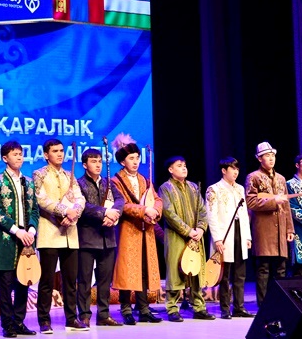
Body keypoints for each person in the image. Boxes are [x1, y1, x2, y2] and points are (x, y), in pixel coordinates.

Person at [33, 138, 87, 333]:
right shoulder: (39, 174)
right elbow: (41, 199)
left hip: (70, 234)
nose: (59, 154)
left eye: (61, 151)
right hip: (49, 232)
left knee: (70, 281)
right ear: (46, 154)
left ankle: (71, 319)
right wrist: (64, 211)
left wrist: (74, 214)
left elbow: (80, 198)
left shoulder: (69, 175)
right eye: (55, 151)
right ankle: (44, 320)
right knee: (47, 280)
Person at [110, 134, 163, 325]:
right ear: (122, 162)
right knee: (127, 269)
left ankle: (144, 308)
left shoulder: (144, 179)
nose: (135, 161)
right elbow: (122, 205)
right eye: (131, 158)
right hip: (127, 229)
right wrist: (143, 210)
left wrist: (155, 210)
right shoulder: (116, 180)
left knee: (144, 269)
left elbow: (157, 199)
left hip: (145, 230)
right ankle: (126, 308)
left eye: (137, 158)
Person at [0, 140, 40, 338]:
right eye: (14, 154)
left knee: (24, 281)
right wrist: (17, 230)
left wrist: (31, 230)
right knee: (6, 283)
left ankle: (19, 321)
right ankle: (8, 324)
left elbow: (34, 209)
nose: (19, 157)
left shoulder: (28, 182)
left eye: (20, 154)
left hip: (27, 239)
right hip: (7, 239)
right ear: (5, 158)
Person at [159, 156, 212, 321]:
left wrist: (201, 229)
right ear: (170, 170)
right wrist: (188, 231)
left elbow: (203, 210)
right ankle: (172, 309)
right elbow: (168, 213)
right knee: (175, 271)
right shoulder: (165, 188)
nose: (184, 168)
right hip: (176, 236)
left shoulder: (194, 187)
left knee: (195, 270)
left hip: (196, 236)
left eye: (185, 165)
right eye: (179, 165)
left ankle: (199, 307)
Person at [76, 148, 124, 327]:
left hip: (107, 238)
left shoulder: (108, 183)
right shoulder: (79, 184)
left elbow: (120, 200)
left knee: (105, 280)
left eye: (99, 161)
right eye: (93, 161)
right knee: (85, 279)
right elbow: (84, 206)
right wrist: (105, 212)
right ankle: (84, 315)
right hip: (87, 238)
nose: (98, 165)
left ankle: (103, 314)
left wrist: (114, 214)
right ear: (84, 165)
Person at [245, 142, 294, 307]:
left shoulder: (281, 178)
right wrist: (273, 201)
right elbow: (251, 202)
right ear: (259, 158)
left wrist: (290, 228)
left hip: (281, 228)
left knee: (281, 269)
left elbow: (286, 205)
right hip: (263, 230)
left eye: (273, 155)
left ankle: (279, 303)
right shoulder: (253, 177)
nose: (271, 158)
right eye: (267, 156)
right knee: (263, 268)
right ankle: (264, 305)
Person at [205, 157, 253, 319]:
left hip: (240, 232)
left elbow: (244, 214)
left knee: (240, 274)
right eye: (233, 169)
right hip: (224, 235)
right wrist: (217, 239)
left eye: (237, 169)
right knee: (225, 275)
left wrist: (248, 237)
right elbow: (211, 216)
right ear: (224, 170)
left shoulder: (240, 189)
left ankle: (239, 307)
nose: (236, 172)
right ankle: (225, 308)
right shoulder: (214, 189)